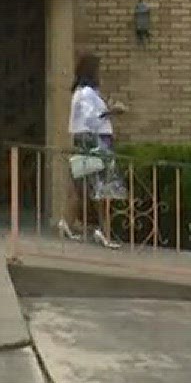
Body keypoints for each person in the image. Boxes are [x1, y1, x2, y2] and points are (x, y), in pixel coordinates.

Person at [60, 52, 127, 247]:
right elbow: (92, 117)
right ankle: (103, 231)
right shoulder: (88, 93)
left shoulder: (79, 93)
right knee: (104, 187)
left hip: (82, 139)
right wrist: (113, 111)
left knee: (80, 186)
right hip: (96, 141)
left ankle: (68, 222)